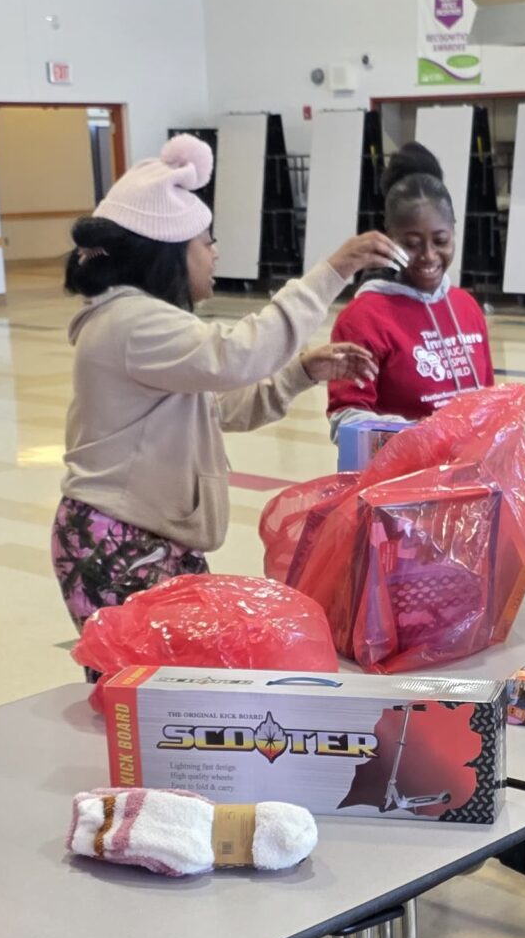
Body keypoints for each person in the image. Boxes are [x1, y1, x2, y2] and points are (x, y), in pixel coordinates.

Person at [56, 135, 395, 626]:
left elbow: (217, 407)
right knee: (150, 674)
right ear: (169, 253)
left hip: (153, 536)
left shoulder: (140, 320)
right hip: (119, 541)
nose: (215, 253)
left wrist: (300, 373)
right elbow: (237, 356)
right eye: (206, 242)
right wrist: (334, 271)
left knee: (182, 669)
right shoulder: (131, 321)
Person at [327, 141, 495, 431]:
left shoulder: (466, 307)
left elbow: (488, 401)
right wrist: (422, 436)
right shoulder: (363, 319)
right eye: (412, 244)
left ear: (454, 232)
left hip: (468, 461)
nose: (429, 255)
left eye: (441, 241)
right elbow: (347, 422)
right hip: (404, 462)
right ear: (389, 238)